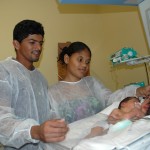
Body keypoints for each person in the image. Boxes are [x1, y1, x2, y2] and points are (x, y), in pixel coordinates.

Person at [0, 20, 68, 150]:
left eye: (41, 43)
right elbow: (2, 121)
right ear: (16, 44)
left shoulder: (40, 78)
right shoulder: (4, 71)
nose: (38, 48)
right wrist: (34, 131)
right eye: (32, 42)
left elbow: (48, 113)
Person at [48, 41, 150, 124]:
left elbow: (111, 99)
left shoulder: (92, 82)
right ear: (67, 59)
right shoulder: (53, 92)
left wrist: (138, 91)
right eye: (80, 60)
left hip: (102, 136)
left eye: (87, 62)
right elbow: (54, 123)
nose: (84, 65)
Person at [85, 97, 150, 138]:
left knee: (104, 136)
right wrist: (135, 110)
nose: (138, 104)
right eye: (135, 102)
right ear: (123, 104)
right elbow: (125, 118)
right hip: (105, 124)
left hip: (116, 127)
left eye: (139, 103)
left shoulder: (136, 114)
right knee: (93, 135)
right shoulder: (117, 111)